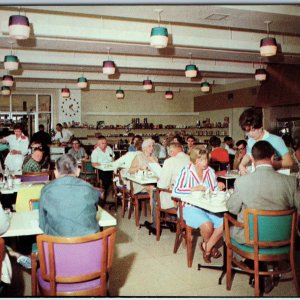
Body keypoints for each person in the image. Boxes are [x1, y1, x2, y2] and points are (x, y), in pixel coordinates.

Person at [226, 141, 300, 293]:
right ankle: (264, 266)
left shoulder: (242, 182)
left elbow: (231, 208)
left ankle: (253, 264)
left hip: (250, 239)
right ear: (273, 157)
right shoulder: (291, 182)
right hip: (283, 239)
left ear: (252, 159)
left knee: (228, 225)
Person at [172, 146, 225, 263]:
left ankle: (207, 247)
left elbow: (213, 189)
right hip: (189, 207)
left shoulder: (210, 171)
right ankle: (210, 247)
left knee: (224, 222)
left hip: (208, 206)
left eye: (206, 159)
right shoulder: (186, 170)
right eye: (201, 160)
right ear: (194, 160)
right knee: (207, 225)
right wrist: (193, 188)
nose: (205, 163)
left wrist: (219, 186)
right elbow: (175, 190)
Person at [39, 154, 99, 237]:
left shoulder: (46, 190)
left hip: (57, 247)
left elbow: (42, 224)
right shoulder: (90, 188)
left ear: (55, 173)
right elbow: (94, 213)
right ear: (78, 171)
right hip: (89, 245)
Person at [145, 142, 190, 234]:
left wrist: (159, 179)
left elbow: (162, 185)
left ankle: (155, 226)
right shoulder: (191, 159)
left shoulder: (170, 161)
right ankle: (172, 222)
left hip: (176, 199)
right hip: (189, 196)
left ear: (172, 151)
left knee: (154, 194)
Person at [238, 107, 293, 175]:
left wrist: (268, 163)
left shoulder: (276, 140)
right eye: (247, 131)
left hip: (274, 177)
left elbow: (289, 162)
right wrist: (241, 165)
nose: (250, 134)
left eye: (253, 130)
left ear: (260, 126)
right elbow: (248, 155)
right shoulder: (250, 140)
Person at [129, 139, 158, 223]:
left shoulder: (154, 158)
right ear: (144, 148)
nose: (152, 148)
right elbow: (130, 170)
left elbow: (158, 171)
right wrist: (139, 168)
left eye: (152, 146)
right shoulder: (138, 157)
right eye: (149, 146)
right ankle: (153, 219)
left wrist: (154, 162)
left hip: (151, 181)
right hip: (139, 183)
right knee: (153, 190)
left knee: (159, 189)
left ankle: (161, 215)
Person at [91, 136, 115, 204]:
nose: (105, 144)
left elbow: (112, 158)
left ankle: (117, 195)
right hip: (102, 170)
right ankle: (103, 199)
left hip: (111, 168)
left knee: (120, 176)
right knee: (106, 181)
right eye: (102, 143)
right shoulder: (95, 152)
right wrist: (102, 165)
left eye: (105, 143)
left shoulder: (109, 148)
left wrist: (112, 163)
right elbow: (93, 164)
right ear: (98, 144)